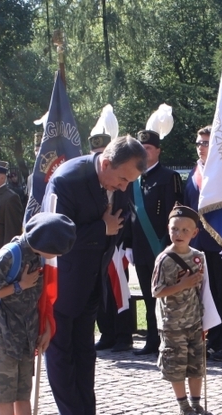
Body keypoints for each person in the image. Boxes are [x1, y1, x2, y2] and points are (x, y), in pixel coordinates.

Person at [45, 135, 145, 415]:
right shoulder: (66, 180)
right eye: (122, 178)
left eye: (131, 181)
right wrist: (101, 228)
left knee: (86, 351)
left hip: (92, 278)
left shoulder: (120, 181)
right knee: (62, 351)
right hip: (63, 281)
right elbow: (53, 234)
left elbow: (121, 219)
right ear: (105, 163)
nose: (125, 187)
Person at [0, 212, 77, 415]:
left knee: (23, 390)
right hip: (4, 333)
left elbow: (40, 298)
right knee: (5, 391)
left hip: (27, 332)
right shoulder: (11, 254)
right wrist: (18, 286)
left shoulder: (36, 255)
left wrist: (45, 328)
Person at [152, 205, 216, 415]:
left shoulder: (199, 257)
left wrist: (204, 318)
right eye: (174, 229)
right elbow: (156, 291)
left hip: (194, 320)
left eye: (184, 230)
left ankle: (197, 404)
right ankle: (183, 407)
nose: (178, 234)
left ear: (194, 233)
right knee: (176, 366)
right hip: (173, 323)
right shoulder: (164, 259)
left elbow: (203, 290)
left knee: (196, 365)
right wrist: (182, 285)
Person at [186, 125, 222, 363]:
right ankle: (212, 340)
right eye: (198, 143)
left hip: (220, 243)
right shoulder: (193, 172)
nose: (201, 147)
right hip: (198, 244)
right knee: (206, 296)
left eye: (206, 143)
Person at [129, 128, 181, 356]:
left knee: (168, 297)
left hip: (161, 247)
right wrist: (128, 244)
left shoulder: (169, 177)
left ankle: (170, 339)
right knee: (149, 297)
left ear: (158, 151)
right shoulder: (133, 178)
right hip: (140, 249)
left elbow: (176, 214)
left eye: (148, 148)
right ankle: (152, 339)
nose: (144, 152)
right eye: (141, 149)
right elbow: (128, 214)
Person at [93, 132, 136, 353]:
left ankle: (123, 335)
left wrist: (125, 241)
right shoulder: (91, 185)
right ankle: (107, 332)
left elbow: (130, 211)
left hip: (117, 244)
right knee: (100, 292)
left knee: (120, 291)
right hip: (97, 243)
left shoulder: (122, 182)